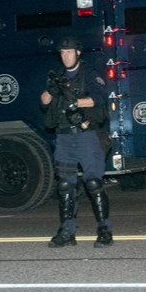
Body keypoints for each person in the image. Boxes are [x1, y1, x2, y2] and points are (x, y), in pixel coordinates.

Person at [41, 37, 113, 248]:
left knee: (94, 183)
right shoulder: (57, 76)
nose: (66, 56)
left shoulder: (89, 74)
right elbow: (44, 101)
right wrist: (52, 89)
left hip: (86, 135)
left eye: (70, 52)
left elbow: (99, 97)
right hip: (63, 137)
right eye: (63, 53)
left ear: (78, 53)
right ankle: (67, 231)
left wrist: (74, 102)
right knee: (65, 186)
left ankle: (105, 230)